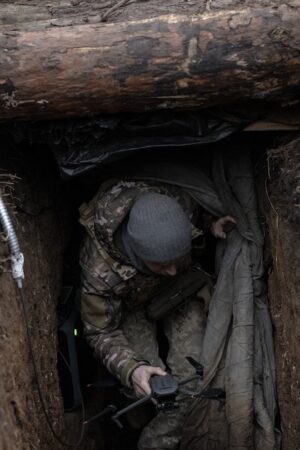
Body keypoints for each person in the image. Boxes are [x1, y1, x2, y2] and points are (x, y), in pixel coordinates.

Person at [79, 178, 235, 450]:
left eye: (177, 259)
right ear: (135, 253)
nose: (172, 269)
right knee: (143, 384)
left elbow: (200, 211)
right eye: (163, 264)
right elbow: (100, 330)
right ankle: (135, 416)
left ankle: (155, 442)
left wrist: (211, 225)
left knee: (193, 378)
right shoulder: (99, 271)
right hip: (128, 308)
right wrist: (133, 370)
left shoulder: (180, 206)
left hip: (181, 294)